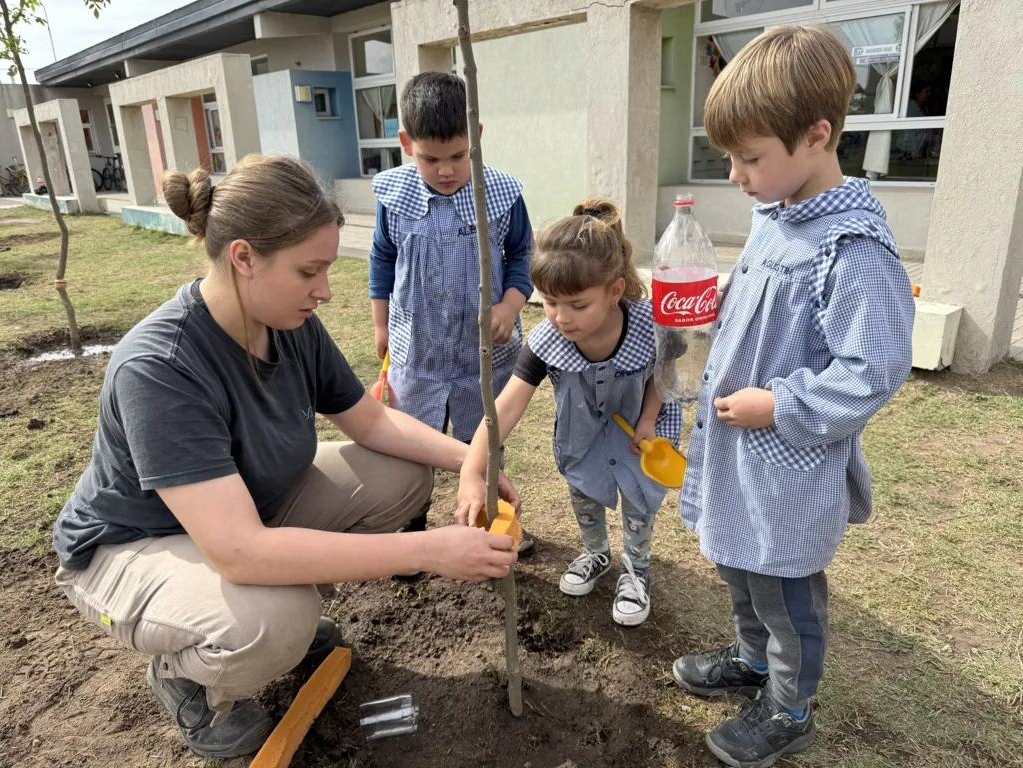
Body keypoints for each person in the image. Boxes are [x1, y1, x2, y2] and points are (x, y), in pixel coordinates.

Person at [50, 154, 521, 760]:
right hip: (129, 545)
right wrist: (427, 551)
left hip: (238, 510)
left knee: (401, 474)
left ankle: (268, 613)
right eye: (310, 271)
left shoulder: (287, 322)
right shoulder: (161, 367)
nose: (325, 291)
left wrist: (474, 463)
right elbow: (238, 550)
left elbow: (371, 420)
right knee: (274, 619)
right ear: (244, 258)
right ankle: (188, 676)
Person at [670, 26, 915, 768]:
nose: (737, 176)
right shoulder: (777, 217)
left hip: (787, 464)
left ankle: (790, 705)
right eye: (729, 158)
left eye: (750, 159)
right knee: (741, 569)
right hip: (741, 459)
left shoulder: (852, 249)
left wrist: (778, 404)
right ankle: (751, 663)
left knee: (785, 592)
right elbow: (768, 309)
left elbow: (871, 371)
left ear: (816, 135)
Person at [457, 200, 682, 627]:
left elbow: (667, 371)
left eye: (578, 305)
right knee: (585, 493)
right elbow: (505, 406)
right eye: (550, 303)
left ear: (615, 291)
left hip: (639, 434)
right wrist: (472, 469)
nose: (562, 317)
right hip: (583, 437)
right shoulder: (547, 340)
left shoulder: (649, 324)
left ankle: (637, 572)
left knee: (639, 503)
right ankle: (595, 553)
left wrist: (650, 417)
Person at [368, 72, 535, 549]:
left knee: (482, 444)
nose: (446, 170)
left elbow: (522, 255)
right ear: (406, 144)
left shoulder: (500, 194)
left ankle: (490, 521)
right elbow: (382, 259)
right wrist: (381, 323)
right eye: (431, 158)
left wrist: (509, 303)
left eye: (458, 156)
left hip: (481, 351)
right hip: (417, 350)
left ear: (476, 136)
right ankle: (411, 525)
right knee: (412, 445)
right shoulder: (393, 196)